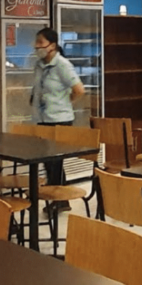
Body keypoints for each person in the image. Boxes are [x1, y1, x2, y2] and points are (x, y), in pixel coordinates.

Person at [31, 27, 84, 183]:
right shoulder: (39, 65)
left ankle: (59, 193)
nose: (36, 46)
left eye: (40, 42)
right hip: (42, 119)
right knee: (47, 161)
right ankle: (54, 191)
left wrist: (65, 102)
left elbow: (79, 90)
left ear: (52, 45)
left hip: (59, 120)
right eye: (36, 42)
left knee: (55, 162)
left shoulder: (62, 65)